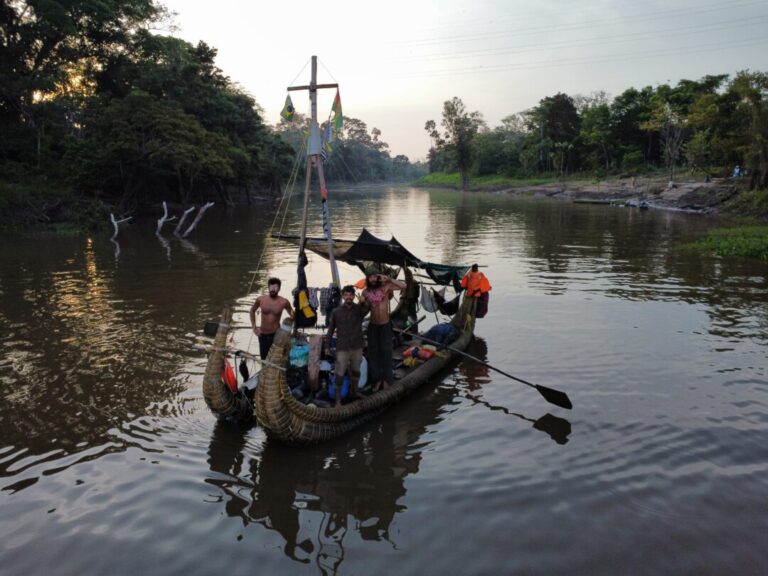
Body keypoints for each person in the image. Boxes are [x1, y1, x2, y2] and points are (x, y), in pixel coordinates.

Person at [362, 267, 406, 392]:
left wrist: (389, 279)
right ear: (368, 279)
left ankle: (387, 380)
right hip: (373, 326)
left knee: (387, 352)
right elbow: (362, 308)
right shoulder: (365, 292)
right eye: (371, 277)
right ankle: (377, 381)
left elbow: (404, 286)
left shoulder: (386, 287)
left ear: (378, 277)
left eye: (375, 276)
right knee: (373, 353)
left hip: (385, 324)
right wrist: (361, 302)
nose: (373, 279)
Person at [324, 285, 369, 407]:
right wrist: (327, 346)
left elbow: (367, 310)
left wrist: (364, 303)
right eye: (346, 295)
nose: (348, 297)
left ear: (354, 296)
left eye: (351, 295)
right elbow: (330, 329)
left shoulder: (358, 309)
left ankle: (355, 391)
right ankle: (338, 400)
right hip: (342, 347)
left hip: (357, 346)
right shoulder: (337, 312)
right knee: (339, 374)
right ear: (343, 296)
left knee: (356, 371)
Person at [250, 277, 294, 359]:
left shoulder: (284, 302)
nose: (273, 289)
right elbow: (252, 310)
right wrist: (254, 327)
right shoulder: (261, 300)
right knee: (264, 359)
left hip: (276, 335)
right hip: (262, 335)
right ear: (268, 288)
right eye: (271, 287)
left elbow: (292, 314)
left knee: (275, 360)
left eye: (276, 287)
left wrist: (287, 327)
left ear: (279, 289)